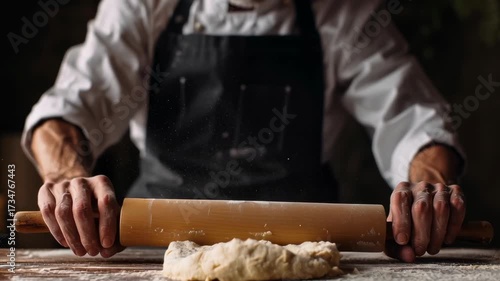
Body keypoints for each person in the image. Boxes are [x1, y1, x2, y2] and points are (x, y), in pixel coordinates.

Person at [22, 0, 466, 262]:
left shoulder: (343, 12)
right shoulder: (143, 6)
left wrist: (428, 188)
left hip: (306, 248)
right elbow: (69, 107)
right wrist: (65, 179)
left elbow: (413, 115)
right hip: (157, 246)